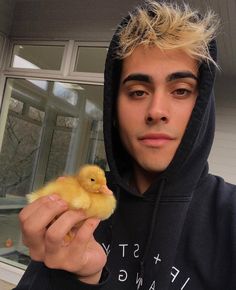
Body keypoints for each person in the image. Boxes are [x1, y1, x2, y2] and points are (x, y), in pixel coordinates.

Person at [14, 1, 236, 289]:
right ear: (114, 109)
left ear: (202, 107)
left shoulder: (229, 219)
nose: (156, 111)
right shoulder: (79, 207)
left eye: (180, 90)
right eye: (138, 92)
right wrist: (77, 278)